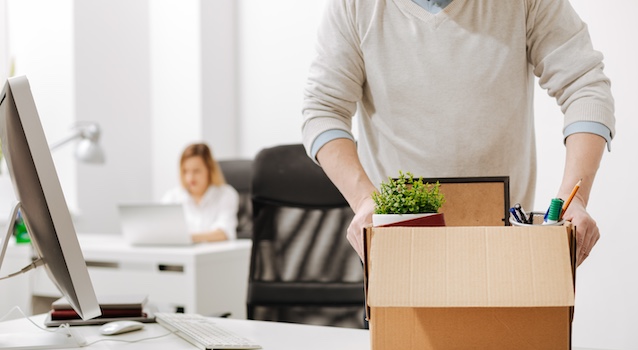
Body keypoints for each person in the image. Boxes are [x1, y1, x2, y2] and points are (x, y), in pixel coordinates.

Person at [302, 0, 615, 266]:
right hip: (399, 247)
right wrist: (364, 200)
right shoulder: (355, 6)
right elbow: (323, 110)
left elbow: (585, 88)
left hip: (504, 246)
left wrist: (574, 197)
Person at [162, 143, 239, 243]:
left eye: (196, 171)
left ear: (209, 170)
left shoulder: (226, 194)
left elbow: (224, 232)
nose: (190, 177)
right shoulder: (172, 196)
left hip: (213, 256)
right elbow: (160, 229)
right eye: (186, 171)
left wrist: (187, 238)